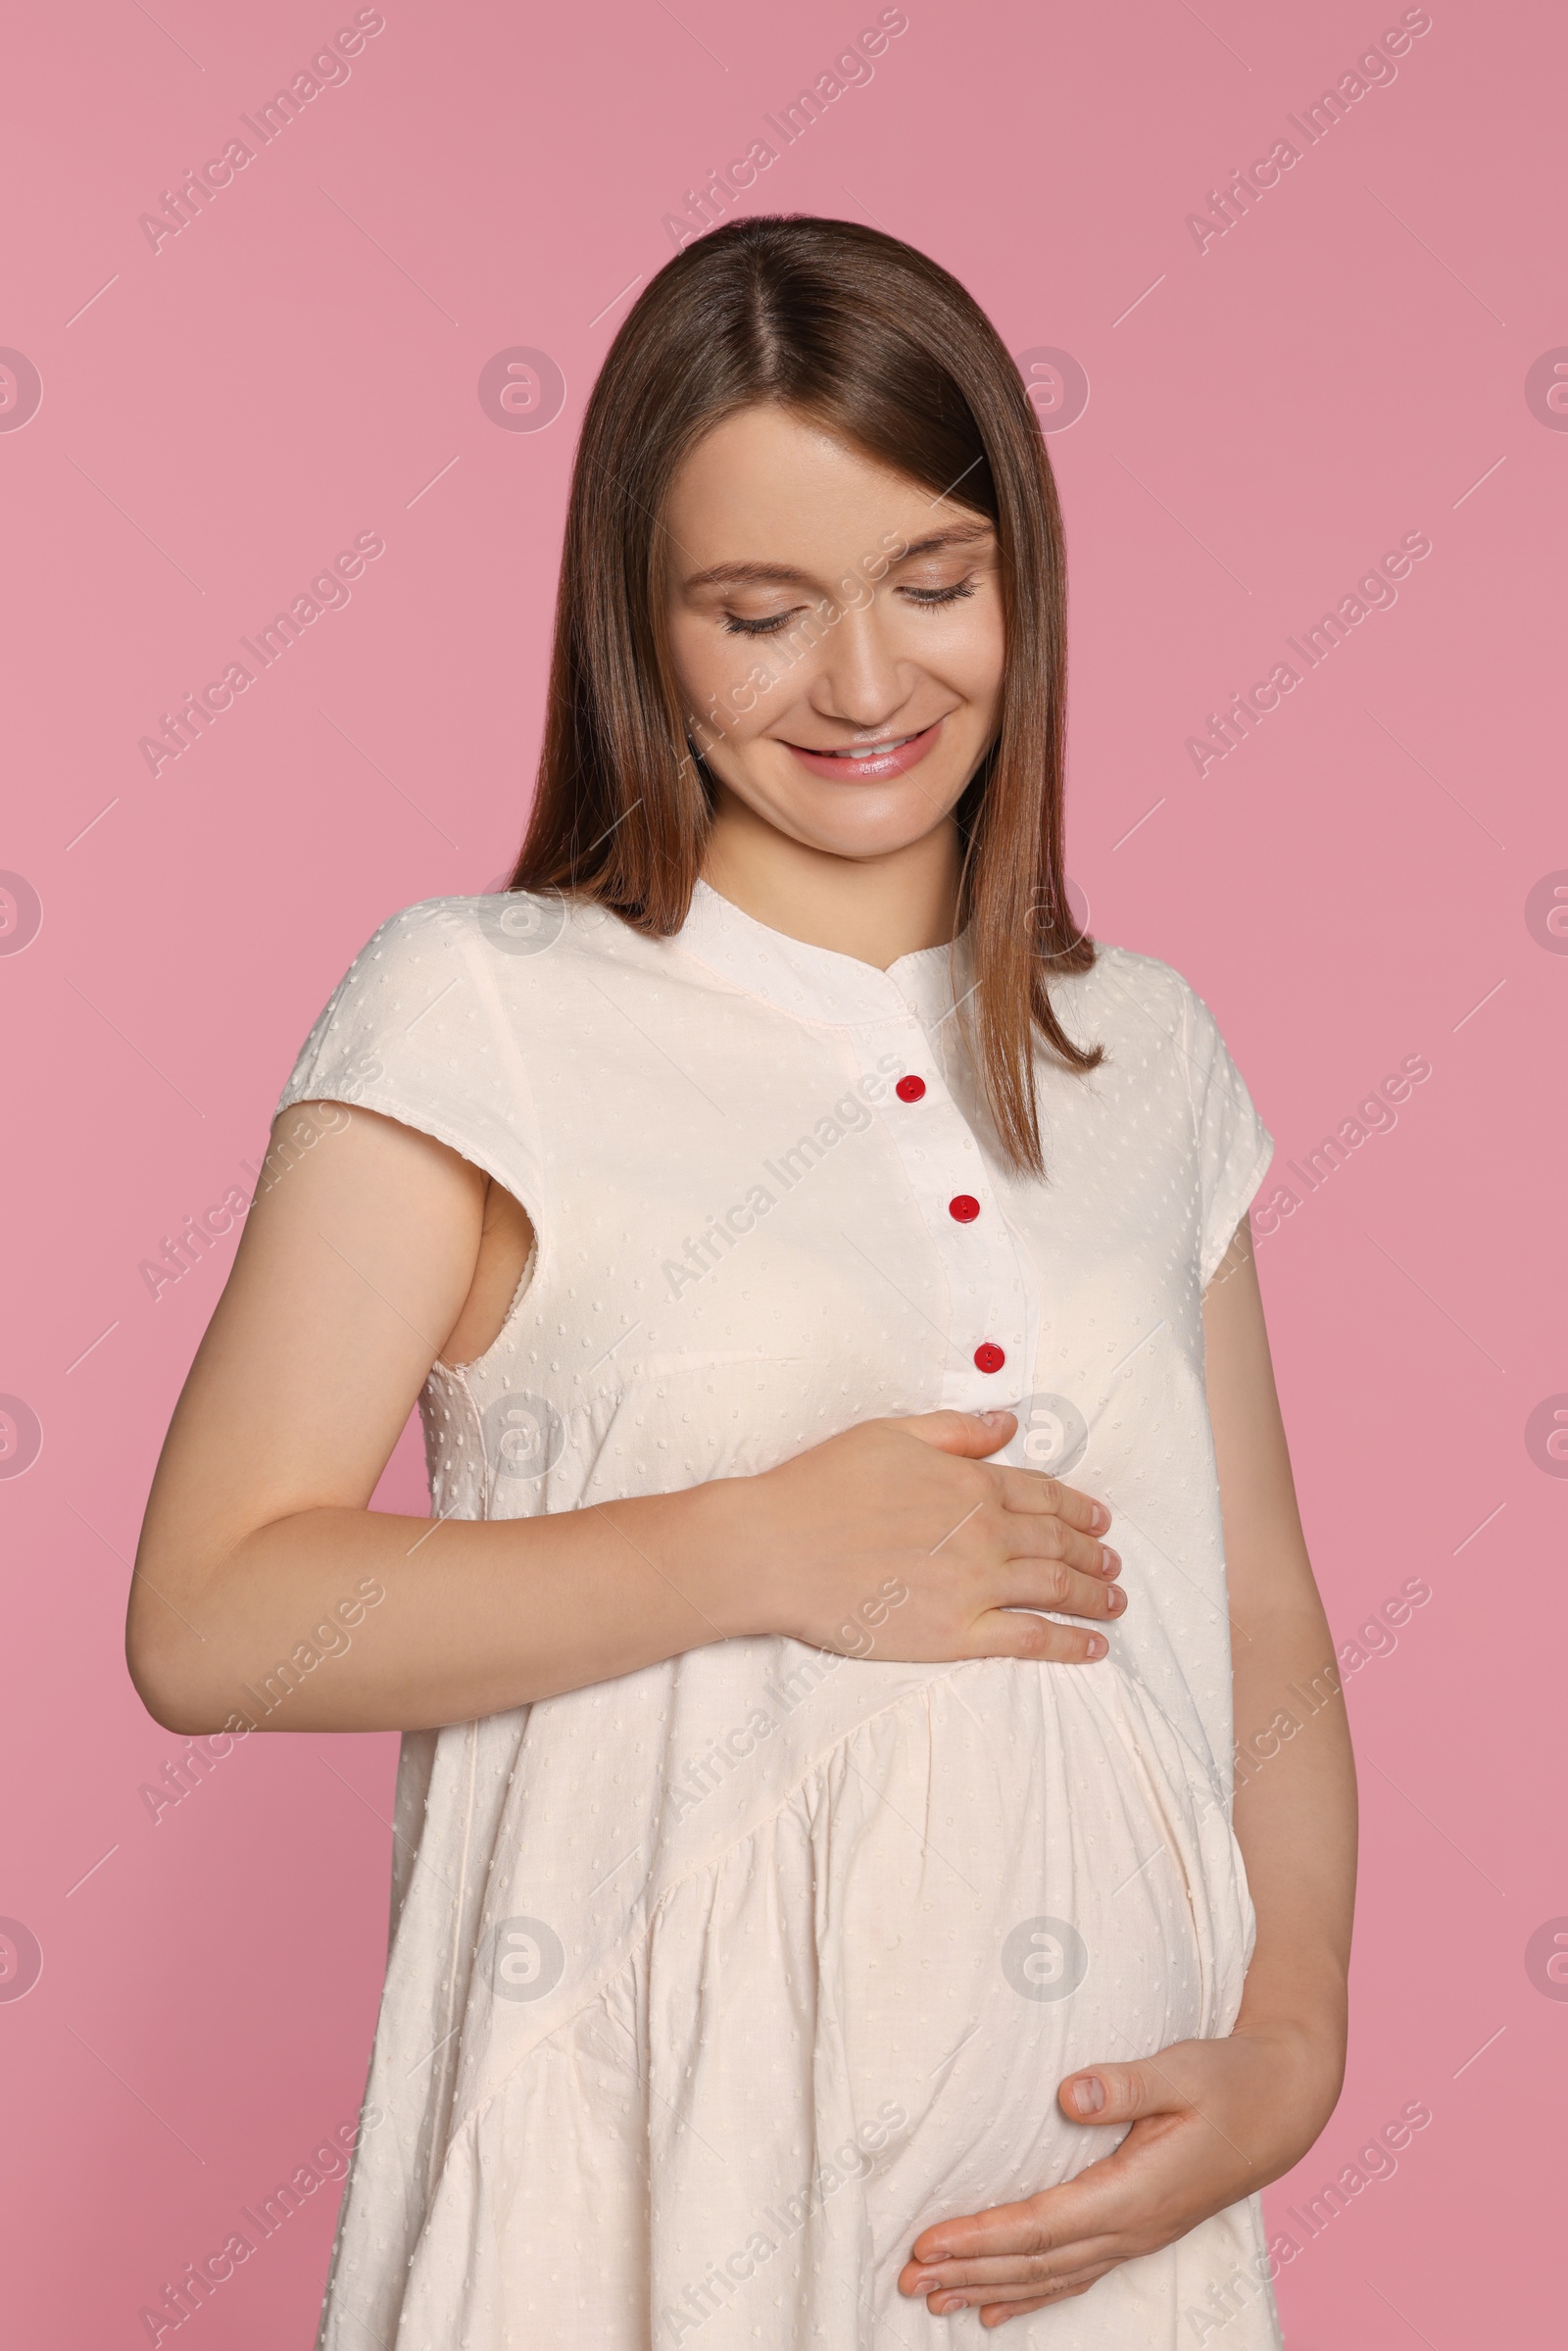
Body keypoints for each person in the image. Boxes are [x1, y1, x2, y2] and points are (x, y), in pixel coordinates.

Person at [127, 215, 1356, 2343]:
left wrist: (1292, 2048)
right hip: (632, 2200)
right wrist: (753, 1547)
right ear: (640, 624)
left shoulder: (1142, 1053)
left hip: (1095, 2237)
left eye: (932, 586)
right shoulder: (481, 1010)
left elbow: (1250, 1600)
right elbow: (212, 1616)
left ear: (1020, 586)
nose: (865, 687)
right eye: (760, 613)